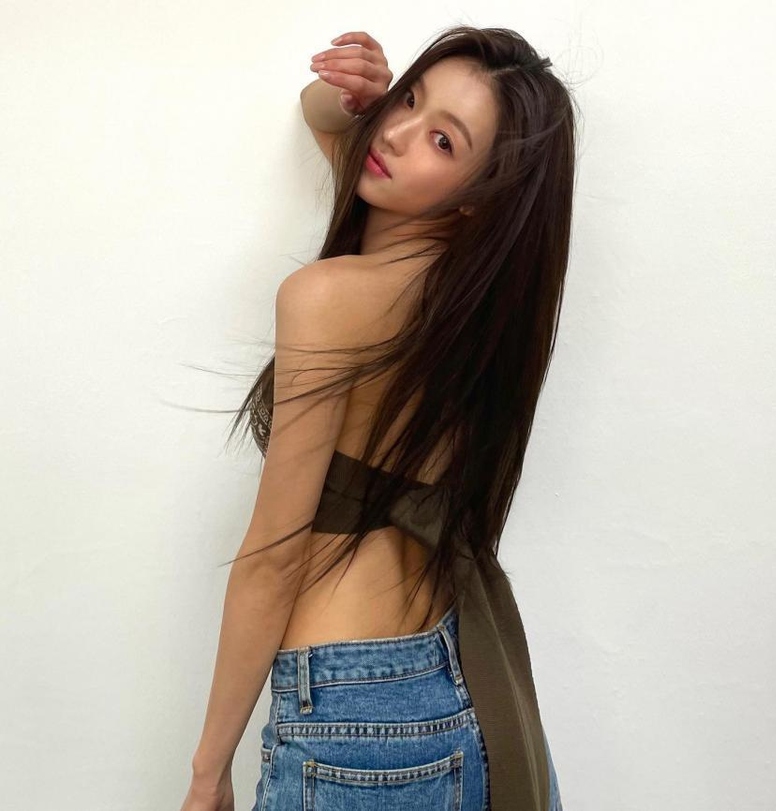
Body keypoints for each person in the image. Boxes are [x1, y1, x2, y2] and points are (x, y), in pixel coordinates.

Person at [179, 24, 576, 811]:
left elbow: (273, 557)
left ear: (478, 194)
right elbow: (321, 114)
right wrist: (355, 93)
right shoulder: (475, 299)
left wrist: (206, 771)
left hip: (353, 712)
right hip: (455, 680)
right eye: (408, 100)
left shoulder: (331, 299)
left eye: (442, 139)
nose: (394, 134)